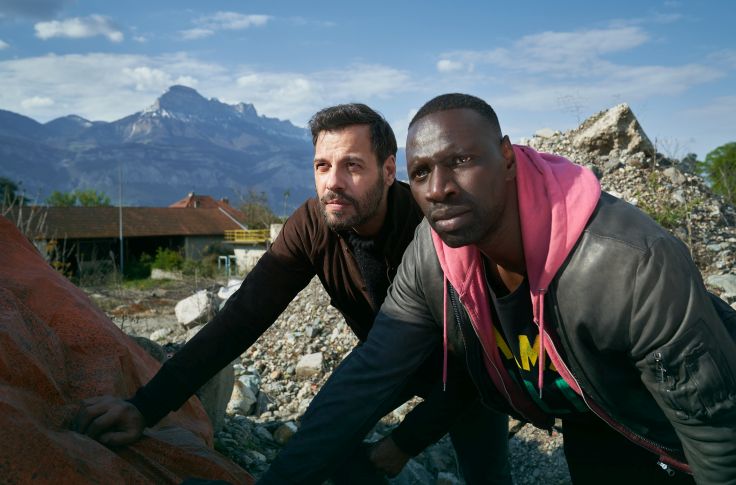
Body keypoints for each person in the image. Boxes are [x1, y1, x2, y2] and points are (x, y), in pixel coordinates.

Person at [258, 94, 736, 484]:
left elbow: (725, 442)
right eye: (422, 172)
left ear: (506, 158)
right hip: (591, 418)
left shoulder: (627, 263)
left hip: (668, 424)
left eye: (461, 161)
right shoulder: (433, 255)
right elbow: (368, 374)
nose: (439, 188)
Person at [72, 103, 511, 484]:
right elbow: (241, 318)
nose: (333, 182)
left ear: (388, 169)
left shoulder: (434, 223)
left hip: (471, 372)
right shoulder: (313, 225)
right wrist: (144, 407)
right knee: (324, 433)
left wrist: (400, 444)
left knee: (485, 472)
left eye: (352, 166)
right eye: (322, 166)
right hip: (382, 366)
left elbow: (488, 356)